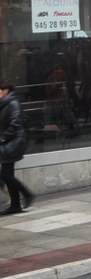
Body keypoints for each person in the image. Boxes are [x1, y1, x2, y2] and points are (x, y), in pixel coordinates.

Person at [0, 82, 33, 215]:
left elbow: (15, 124)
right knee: (8, 175)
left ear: (6, 90)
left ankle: (27, 194)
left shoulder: (13, 103)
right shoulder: (4, 104)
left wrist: (2, 139)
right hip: (8, 143)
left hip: (12, 143)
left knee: (5, 175)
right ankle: (15, 205)